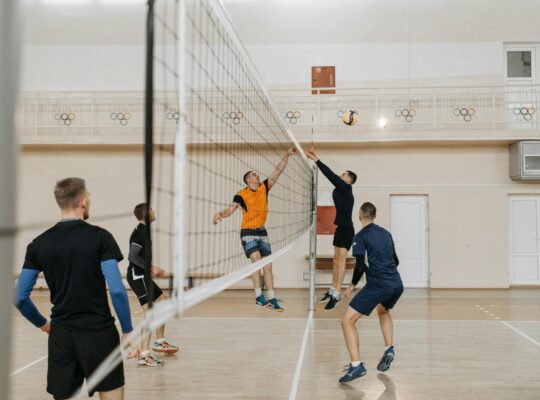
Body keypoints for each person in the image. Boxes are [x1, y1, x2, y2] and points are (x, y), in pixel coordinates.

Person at [14, 177, 137, 399]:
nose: (89, 201)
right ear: (82, 201)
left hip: (62, 336)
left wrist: (43, 324)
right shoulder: (101, 237)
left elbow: (20, 298)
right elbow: (117, 290)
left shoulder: (38, 244)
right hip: (99, 335)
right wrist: (127, 329)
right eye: (88, 197)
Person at [212, 147, 296, 312]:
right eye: (253, 174)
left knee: (268, 266)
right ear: (248, 179)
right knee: (257, 264)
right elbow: (230, 209)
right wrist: (220, 214)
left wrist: (286, 155)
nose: (257, 175)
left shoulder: (264, 187)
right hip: (248, 232)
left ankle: (272, 297)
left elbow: (277, 171)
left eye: (257, 174)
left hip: (262, 232)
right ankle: (259, 296)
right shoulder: (241, 194)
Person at [339, 202, 404, 383]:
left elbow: (359, 266)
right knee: (383, 310)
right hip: (397, 283)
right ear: (374, 215)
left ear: (360, 215)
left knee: (347, 320)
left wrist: (351, 285)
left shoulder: (360, 236)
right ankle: (388, 348)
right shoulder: (386, 233)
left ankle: (356, 365)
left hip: (379, 284)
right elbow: (396, 261)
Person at [126, 203, 179, 367]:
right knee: (149, 313)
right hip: (138, 276)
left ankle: (159, 341)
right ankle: (144, 354)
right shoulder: (140, 232)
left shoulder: (144, 231)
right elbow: (132, 256)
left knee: (162, 302)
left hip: (143, 275)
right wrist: (152, 268)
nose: (155, 211)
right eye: (152, 210)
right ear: (146, 214)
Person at [304, 149, 357, 311]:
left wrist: (317, 160)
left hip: (347, 229)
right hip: (341, 228)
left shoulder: (345, 188)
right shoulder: (342, 189)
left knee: (341, 262)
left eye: (344, 174)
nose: (341, 174)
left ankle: (337, 295)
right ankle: (332, 290)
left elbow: (331, 176)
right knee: (335, 261)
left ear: (349, 180)